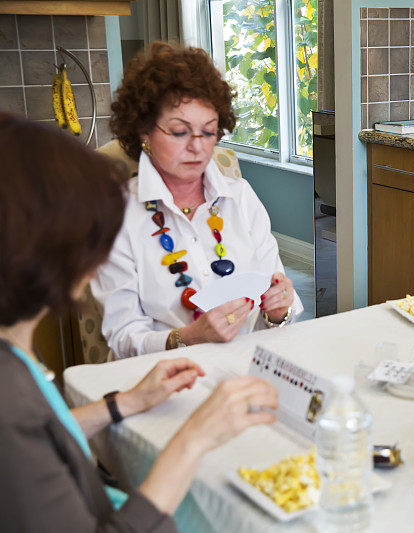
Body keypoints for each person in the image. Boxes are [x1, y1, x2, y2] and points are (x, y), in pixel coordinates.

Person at [0, 114, 280, 531]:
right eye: (88, 236)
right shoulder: (8, 402)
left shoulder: (15, 355)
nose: (96, 260)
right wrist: (195, 437)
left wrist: (123, 403)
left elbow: (42, 439)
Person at [93, 41, 302, 358]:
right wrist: (187, 337)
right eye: (179, 132)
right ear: (144, 133)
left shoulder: (240, 197)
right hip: (162, 378)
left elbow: (278, 302)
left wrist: (278, 310)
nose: (198, 147)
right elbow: (123, 336)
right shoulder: (116, 215)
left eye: (208, 132)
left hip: (246, 366)